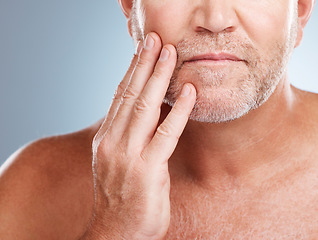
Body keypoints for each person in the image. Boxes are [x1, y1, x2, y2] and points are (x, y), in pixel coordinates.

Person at [0, 0, 317, 239]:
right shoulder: (32, 188)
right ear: (131, 6)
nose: (216, 20)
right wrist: (114, 228)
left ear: (300, 10)